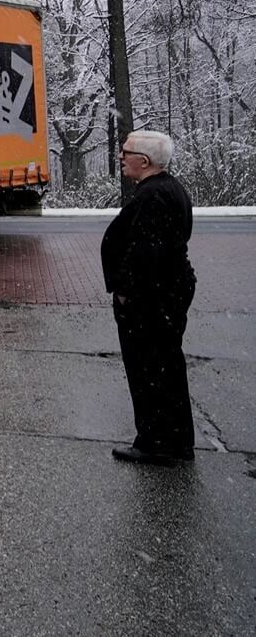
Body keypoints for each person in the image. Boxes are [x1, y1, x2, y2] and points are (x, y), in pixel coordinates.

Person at [100, 130, 198, 465]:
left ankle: (157, 443)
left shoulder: (153, 196)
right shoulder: (168, 189)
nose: (121, 157)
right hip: (166, 293)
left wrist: (126, 293)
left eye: (125, 152)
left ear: (143, 161)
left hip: (152, 300)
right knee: (166, 365)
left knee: (150, 369)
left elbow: (145, 254)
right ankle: (176, 441)